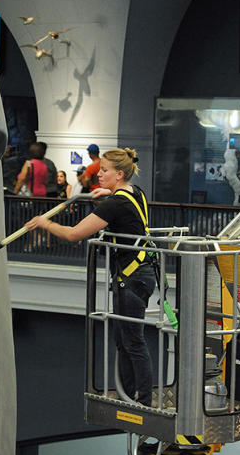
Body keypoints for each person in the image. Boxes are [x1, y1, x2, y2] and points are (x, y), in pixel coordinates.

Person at [24, 148, 155, 405]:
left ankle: (145, 400)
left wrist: (45, 223)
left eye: (104, 171)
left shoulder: (115, 204)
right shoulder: (135, 193)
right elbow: (124, 203)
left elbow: (74, 234)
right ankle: (128, 393)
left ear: (118, 174)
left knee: (133, 341)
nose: (98, 175)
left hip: (131, 278)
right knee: (125, 340)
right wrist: (108, 193)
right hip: (141, 274)